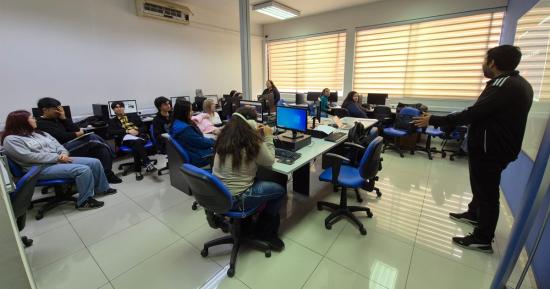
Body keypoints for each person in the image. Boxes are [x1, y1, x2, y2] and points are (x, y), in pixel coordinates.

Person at [413, 45, 533, 253]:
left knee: (487, 193)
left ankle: (483, 238)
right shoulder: (520, 83)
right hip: (497, 147)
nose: (482, 64)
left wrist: (434, 119)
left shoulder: (503, 85)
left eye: (485, 60)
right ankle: (474, 214)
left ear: (493, 63)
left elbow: (474, 113)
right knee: (481, 187)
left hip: (491, 149)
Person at [2, 110, 117, 210]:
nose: (35, 120)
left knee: (94, 162)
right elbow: (29, 157)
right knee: (83, 170)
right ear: (21, 122)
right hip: (38, 168)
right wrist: (57, 157)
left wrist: (63, 153)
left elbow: (58, 145)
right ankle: (84, 202)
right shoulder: (11, 140)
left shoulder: (39, 133)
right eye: (31, 118)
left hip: (58, 160)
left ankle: (102, 188)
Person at [213, 106, 286, 250]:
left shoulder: (224, 135)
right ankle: (264, 232)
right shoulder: (251, 140)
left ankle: (246, 223)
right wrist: (268, 136)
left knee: (259, 178)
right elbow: (270, 160)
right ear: (251, 123)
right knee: (279, 190)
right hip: (237, 198)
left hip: (218, 193)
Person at [35, 97, 122, 184]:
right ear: (45, 110)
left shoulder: (59, 119)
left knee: (101, 148)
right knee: (91, 137)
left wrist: (64, 118)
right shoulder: (40, 123)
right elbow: (61, 137)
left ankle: (107, 174)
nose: (59, 111)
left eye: (60, 108)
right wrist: (77, 134)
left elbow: (75, 129)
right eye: (56, 109)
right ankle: (113, 154)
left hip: (72, 145)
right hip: (60, 151)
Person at [108, 101, 157, 180]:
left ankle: (138, 170)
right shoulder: (112, 121)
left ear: (124, 108)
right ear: (113, 110)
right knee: (136, 144)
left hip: (140, 137)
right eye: (116, 107)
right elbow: (111, 132)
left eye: (120, 106)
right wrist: (127, 131)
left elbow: (144, 127)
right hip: (127, 139)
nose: (119, 108)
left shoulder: (133, 116)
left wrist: (137, 131)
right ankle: (146, 163)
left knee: (136, 144)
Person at [170, 99, 215, 167]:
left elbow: (198, 140)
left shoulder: (177, 123)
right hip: (200, 157)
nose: (192, 112)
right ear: (184, 112)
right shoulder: (184, 129)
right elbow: (201, 142)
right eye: (190, 110)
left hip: (193, 151)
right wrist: (215, 142)